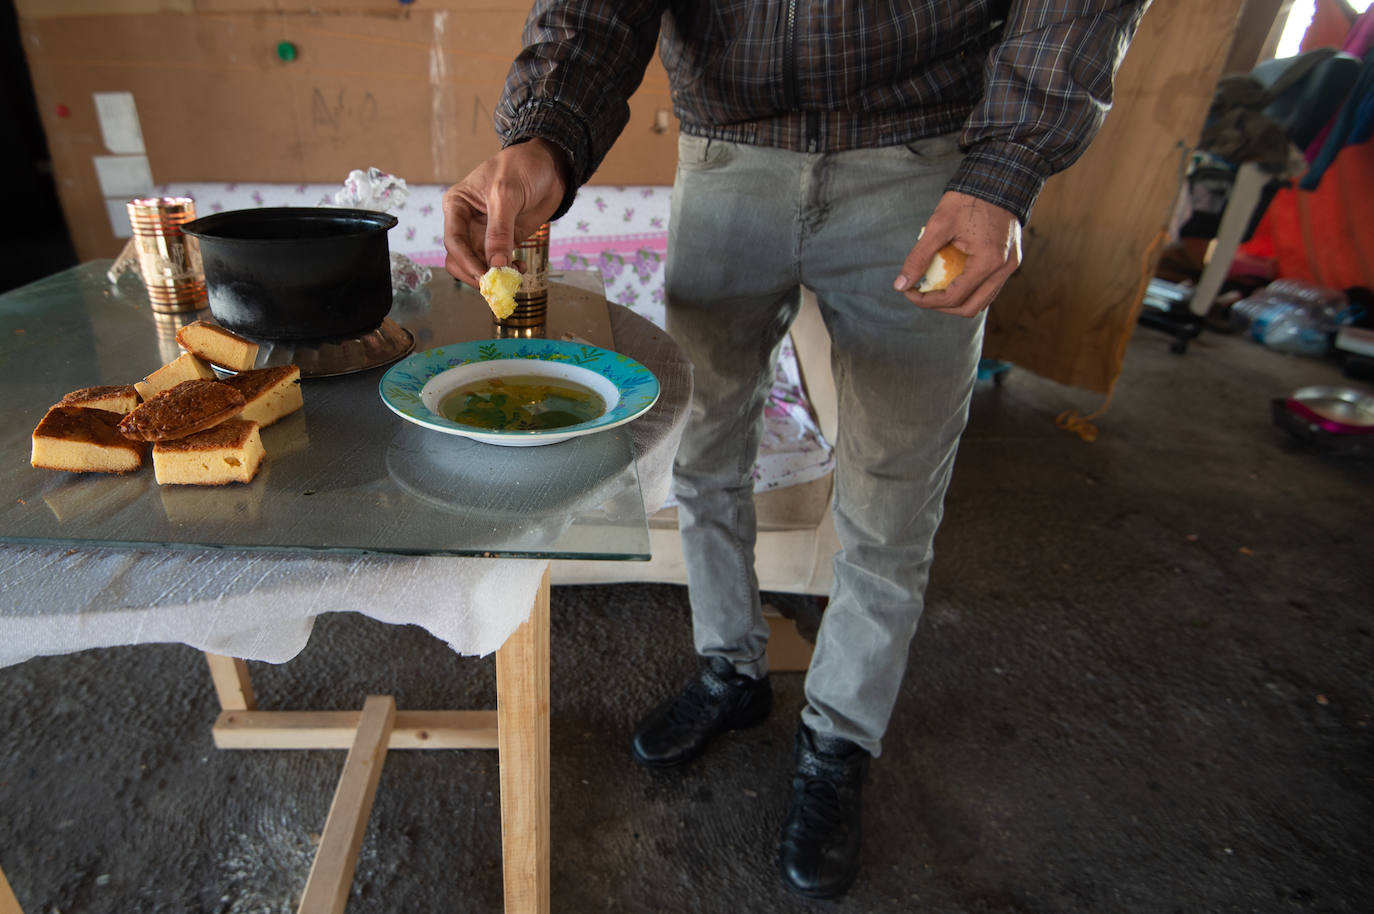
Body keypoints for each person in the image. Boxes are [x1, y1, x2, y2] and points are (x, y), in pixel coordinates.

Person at [443, 0, 1148, 899]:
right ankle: (732, 671)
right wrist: (543, 133)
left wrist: (1008, 166)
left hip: (925, 163)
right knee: (703, 448)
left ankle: (840, 737)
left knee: (892, 492)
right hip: (729, 156)